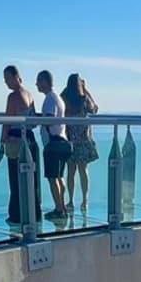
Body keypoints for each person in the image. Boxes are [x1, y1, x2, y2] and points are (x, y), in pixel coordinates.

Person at [0, 66, 42, 227]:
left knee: (15, 179)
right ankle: (34, 213)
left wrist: (3, 139)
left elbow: (8, 120)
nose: (6, 83)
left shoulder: (13, 97)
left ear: (16, 77)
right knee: (31, 179)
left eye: (7, 79)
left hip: (15, 139)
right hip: (30, 139)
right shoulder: (30, 95)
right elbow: (33, 121)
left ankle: (16, 215)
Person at [36, 70, 72, 219]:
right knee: (59, 177)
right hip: (62, 141)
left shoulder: (50, 99)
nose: (37, 84)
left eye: (38, 81)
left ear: (44, 82)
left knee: (52, 178)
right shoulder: (57, 98)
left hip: (53, 144)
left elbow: (50, 119)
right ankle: (62, 206)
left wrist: (37, 120)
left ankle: (59, 209)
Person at [62, 74, 99, 212]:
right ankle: (84, 200)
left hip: (70, 140)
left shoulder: (65, 98)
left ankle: (70, 201)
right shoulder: (84, 99)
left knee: (71, 172)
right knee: (83, 171)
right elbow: (94, 109)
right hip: (84, 140)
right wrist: (86, 89)